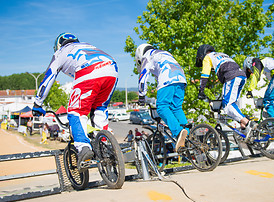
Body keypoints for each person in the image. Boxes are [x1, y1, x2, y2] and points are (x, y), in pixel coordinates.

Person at [32, 33, 118, 172]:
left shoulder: (60, 53)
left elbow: (49, 77)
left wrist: (37, 103)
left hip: (88, 70)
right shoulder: (88, 45)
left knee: (76, 111)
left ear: (58, 45)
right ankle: (105, 144)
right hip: (112, 68)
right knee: (99, 108)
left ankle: (83, 147)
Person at [195, 44, 255, 141]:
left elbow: (205, 74)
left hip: (231, 77)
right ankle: (243, 125)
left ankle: (248, 123)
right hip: (241, 76)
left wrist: (201, 91)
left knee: (227, 105)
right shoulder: (222, 55)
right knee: (232, 104)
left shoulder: (207, 57)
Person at [135, 43, 188, 152]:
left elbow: (143, 75)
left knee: (162, 107)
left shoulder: (148, 56)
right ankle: (186, 133)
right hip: (181, 78)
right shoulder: (164, 53)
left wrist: (141, 95)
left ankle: (178, 132)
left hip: (168, 78)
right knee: (176, 107)